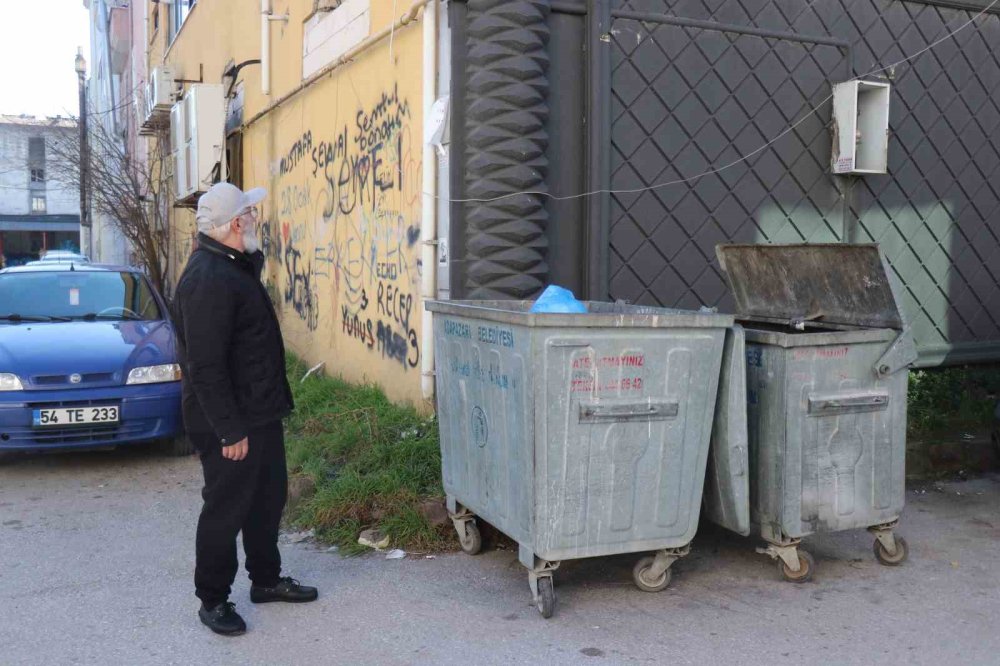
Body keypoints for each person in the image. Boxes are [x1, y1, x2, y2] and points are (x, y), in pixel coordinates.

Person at [173, 182, 317, 637]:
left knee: (267, 500)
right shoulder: (208, 279)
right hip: (229, 423)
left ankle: (266, 580)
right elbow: (206, 367)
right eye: (250, 214)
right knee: (225, 509)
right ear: (236, 223)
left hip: (260, 412)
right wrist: (229, 432)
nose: (256, 219)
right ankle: (213, 599)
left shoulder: (234, 267)